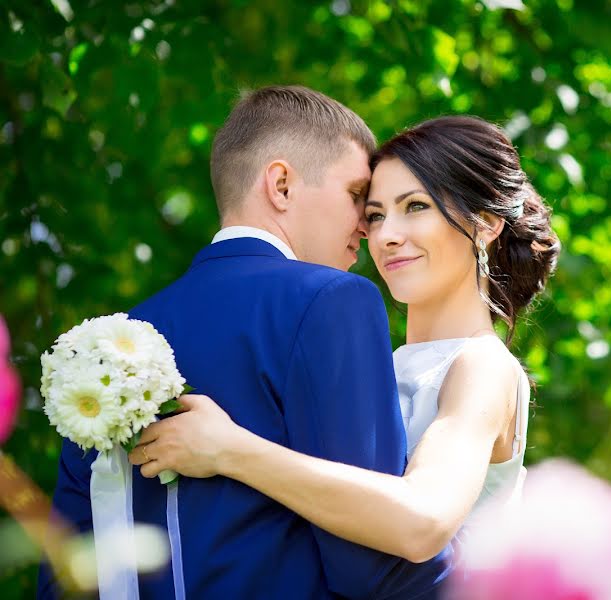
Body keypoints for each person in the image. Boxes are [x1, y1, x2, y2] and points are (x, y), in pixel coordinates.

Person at [38, 85, 454, 599]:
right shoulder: (333, 301)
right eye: (356, 198)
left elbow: (66, 576)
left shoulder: (103, 353)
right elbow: (372, 567)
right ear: (280, 185)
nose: (368, 230)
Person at [127, 115, 561, 563]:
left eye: (415, 206)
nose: (385, 236)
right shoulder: (377, 363)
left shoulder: (481, 366)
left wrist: (229, 450)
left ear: (486, 224)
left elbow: (423, 521)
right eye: (374, 215)